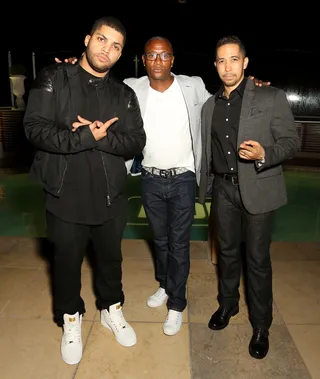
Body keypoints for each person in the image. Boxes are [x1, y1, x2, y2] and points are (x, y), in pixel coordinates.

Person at [56, 36, 269, 337]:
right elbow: (96, 87)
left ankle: (177, 305)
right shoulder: (131, 87)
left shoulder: (193, 86)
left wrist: (252, 85)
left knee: (178, 243)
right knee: (160, 240)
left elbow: (226, 100)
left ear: (172, 59)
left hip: (183, 177)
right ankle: (165, 285)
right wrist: (73, 69)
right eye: (151, 56)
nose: (158, 61)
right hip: (150, 178)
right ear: (143, 60)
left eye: (164, 55)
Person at [24, 16, 146, 365]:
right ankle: (71, 319)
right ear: (88, 39)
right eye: (103, 40)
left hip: (110, 197)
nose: (108, 49)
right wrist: (83, 137)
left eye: (117, 46)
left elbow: (137, 140)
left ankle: (112, 309)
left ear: (121, 54)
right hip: (65, 195)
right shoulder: (54, 77)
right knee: (66, 264)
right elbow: (34, 128)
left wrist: (102, 136)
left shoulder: (123, 94)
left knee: (111, 262)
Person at [198, 35, 301, 359]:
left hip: (258, 186)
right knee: (227, 254)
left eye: (233, 59)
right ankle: (227, 306)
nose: (227, 67)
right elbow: (210, 152)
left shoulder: (271, 96)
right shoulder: (210, 105)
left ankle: (261, 325)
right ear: (215, 65)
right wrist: (209, 189)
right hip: (225, 190)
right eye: (221, 60)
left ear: (244, 62)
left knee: (257, 261)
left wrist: (263, 153)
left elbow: (291, 142)